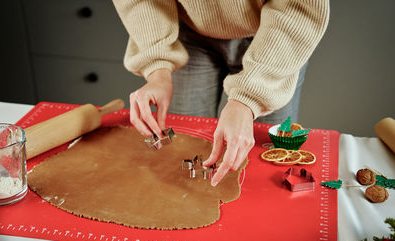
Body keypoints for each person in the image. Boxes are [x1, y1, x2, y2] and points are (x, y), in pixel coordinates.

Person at [112, 0, 329, 186]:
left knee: (265, 159)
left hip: (276, 38)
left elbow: (298, 7)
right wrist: (158, 67)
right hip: (188, 33)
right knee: (186, 139)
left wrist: (249, 99)